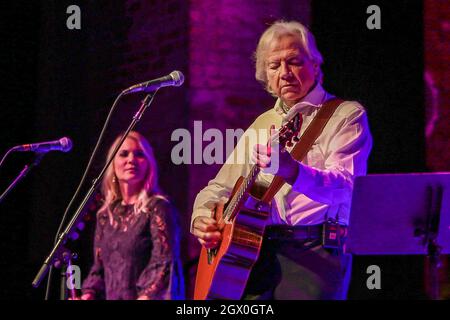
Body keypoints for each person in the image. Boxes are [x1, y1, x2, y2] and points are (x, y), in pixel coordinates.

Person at [191, 20, 372, 299]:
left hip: (316, 252)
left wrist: (293, 171)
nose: (284, 73)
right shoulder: (263, 123)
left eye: (294, 62)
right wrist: (201, 218)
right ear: (266, 76)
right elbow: (218, 188)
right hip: (257, 253)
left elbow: (346, 187)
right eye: (274, 66)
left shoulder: (346, 115)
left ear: (315, 65)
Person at [79, 131, 185, 300]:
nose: (131, 160)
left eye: (139, 154)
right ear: (112, 164)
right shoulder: (106, 215)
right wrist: (87, 295)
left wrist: (146, 296)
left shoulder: (158, 208)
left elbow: (165, 263)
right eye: (123, 154)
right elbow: (99, 270)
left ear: (148, 164)